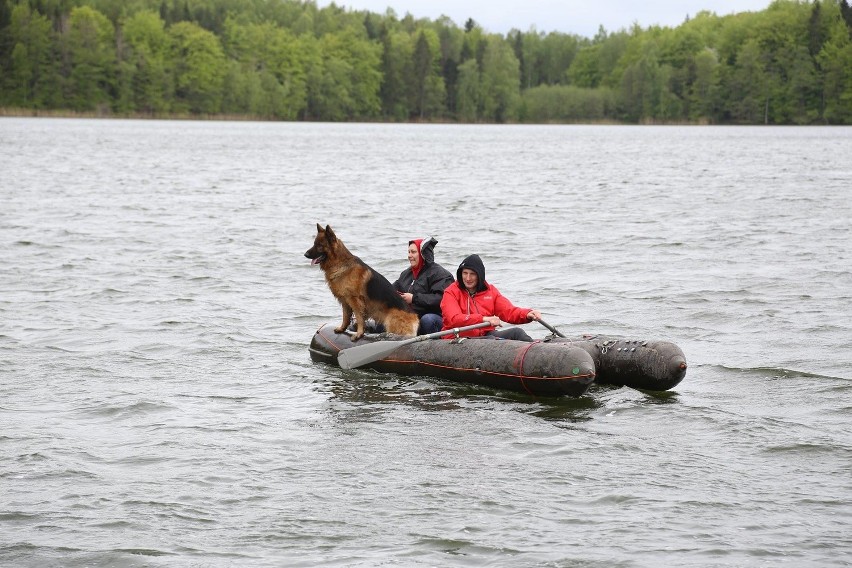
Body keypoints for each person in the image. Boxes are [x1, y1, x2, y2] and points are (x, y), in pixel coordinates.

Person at [440, 254, 542, 341]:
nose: (467, 278)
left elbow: (508, 311)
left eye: (472, 274)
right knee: (491, 341)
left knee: (516, 332)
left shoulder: (490, 291)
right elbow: (454, 319)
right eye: (465, 273)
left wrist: (527, 314)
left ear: (479, 276)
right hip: (457, 338)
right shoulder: (451, 292)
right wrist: (483, 319)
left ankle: (536, 355)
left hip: (485, 335)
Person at [393, 237, 454, 335]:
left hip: (435, 317)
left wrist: (414, 298)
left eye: (413, 252)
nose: (409, 255)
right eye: (408, 252)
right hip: (411, 317)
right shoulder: (405, 274)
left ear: (422, 254)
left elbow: (441, 299)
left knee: (427, 320)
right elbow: (392, 288)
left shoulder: (440, 274)